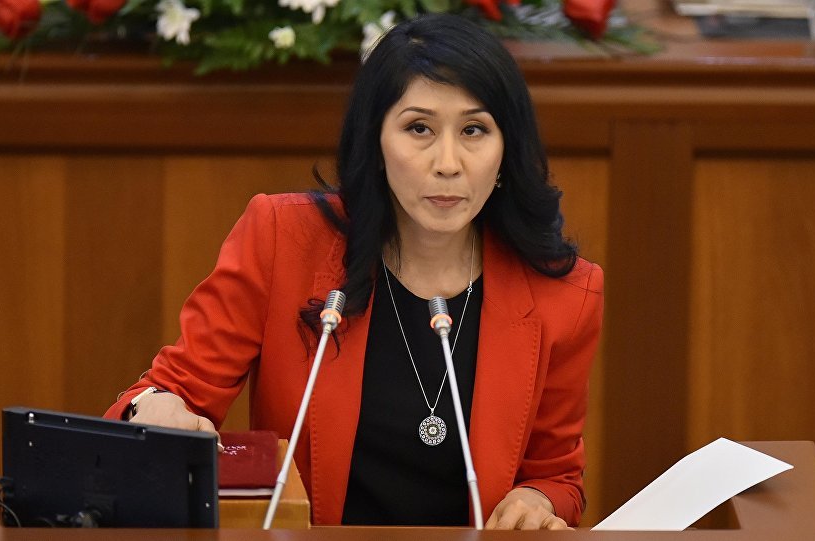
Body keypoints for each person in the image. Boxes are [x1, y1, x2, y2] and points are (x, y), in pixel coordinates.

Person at [105, 13, 603, 530]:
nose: (448, 163)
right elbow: (170, 392)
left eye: (474, 130)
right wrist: (156, 407)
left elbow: (556, 475)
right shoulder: (282, 240)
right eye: (419, 128)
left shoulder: (565, 294)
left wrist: (536, 501)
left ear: (506, 149)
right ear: (376, 141)